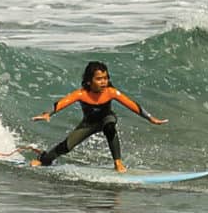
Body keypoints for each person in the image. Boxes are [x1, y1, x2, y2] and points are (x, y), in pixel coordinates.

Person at [30, 60, 168, 173]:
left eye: (105, 78)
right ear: (89, 81)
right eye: (99, 79)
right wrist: (48, 113)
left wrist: (150, 118)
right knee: (66, 146)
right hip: (88, 124)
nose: (103, 82)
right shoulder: (81, 94)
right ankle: (44, 159)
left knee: (110, 126)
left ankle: (118, 162)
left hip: (106, 118)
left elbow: (133, 105)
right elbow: (61, 103)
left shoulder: (111, 92)